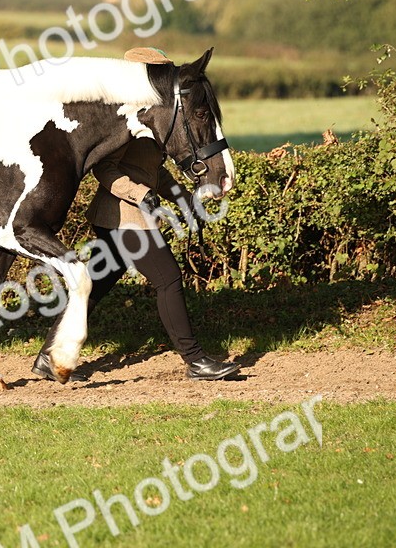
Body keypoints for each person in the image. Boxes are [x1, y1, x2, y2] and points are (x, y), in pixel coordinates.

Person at [32, 47, 240, 382]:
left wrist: (184, 199)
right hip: (122, 217)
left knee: (100, 282)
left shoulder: (153, 119)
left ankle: (47, 355)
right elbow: (106, 171)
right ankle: (196, 360)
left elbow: (155, 172)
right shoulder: (124, 120)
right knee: (168, 279)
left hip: (124, 217)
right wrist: (140, 194)